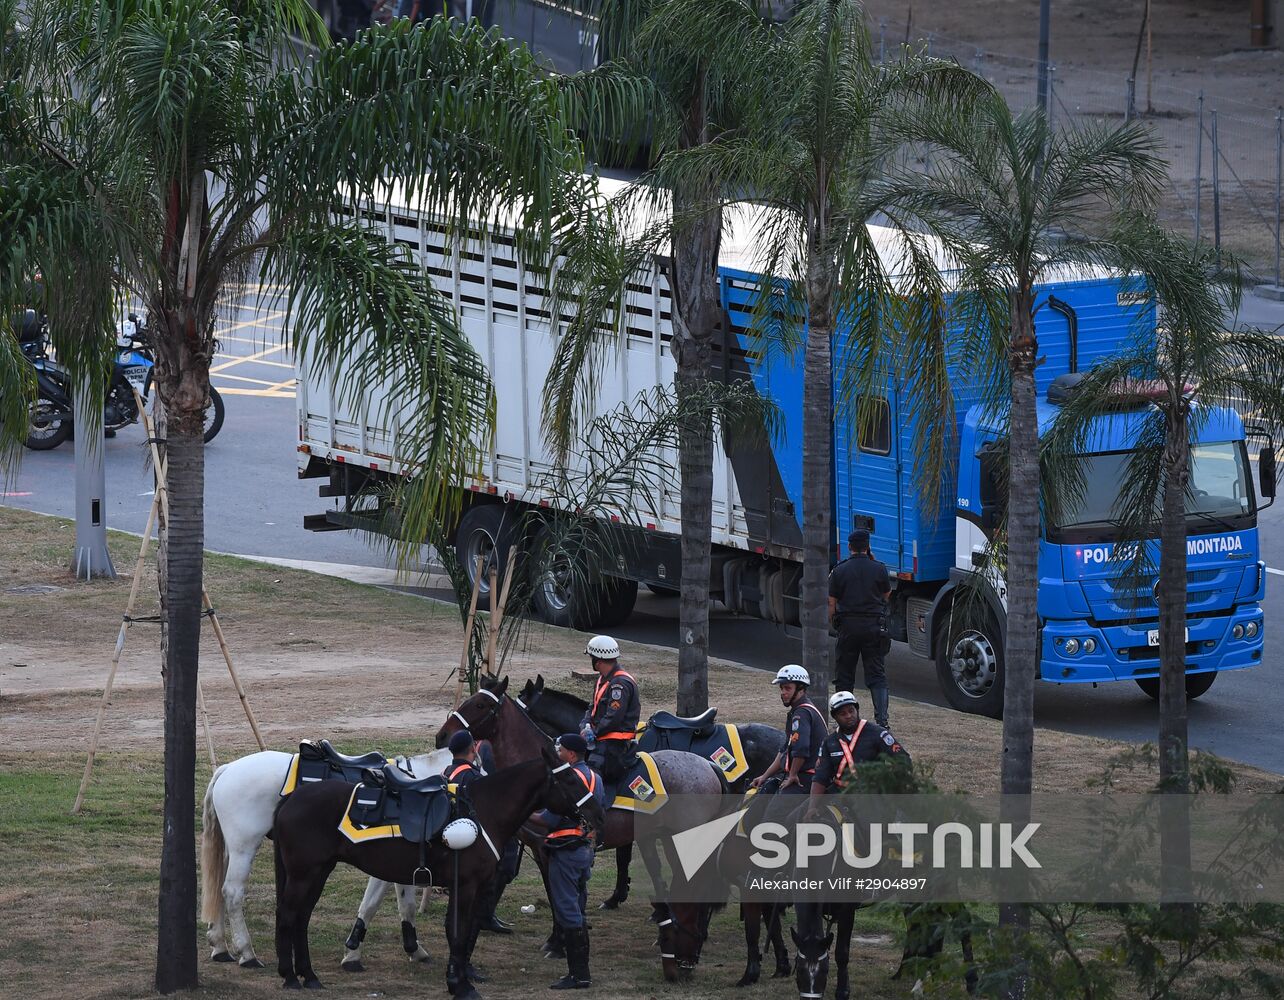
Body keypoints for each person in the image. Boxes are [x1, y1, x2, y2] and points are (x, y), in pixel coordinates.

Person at [529, 733, 605, 990]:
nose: (558, 754)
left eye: (561, 750)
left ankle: (579, 974)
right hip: (585, 849)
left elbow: (549, 820)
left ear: (571, 755)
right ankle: (580, 971)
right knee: (578, 906)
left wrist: (522, 812)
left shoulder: (569, 780)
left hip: (566, 850)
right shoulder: (596, 777)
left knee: (567, 909)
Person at [829, 529, 893, 729]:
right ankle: (882, 721)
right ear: (868, 546)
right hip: (873, 627)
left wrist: (834, 622)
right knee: (877, 675)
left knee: (845, 675)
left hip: (848, 626)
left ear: (849, 547)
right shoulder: (879, 568)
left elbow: (832, 603)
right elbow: (886, 594)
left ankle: (844, 721)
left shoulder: (839, 570)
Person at [807, 691, 910, 814]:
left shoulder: (877, 733)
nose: (849, 716)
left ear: (857, 710)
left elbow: (903, 760)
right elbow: (820, 777)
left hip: (870, 794)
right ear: (835, 717)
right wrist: (812, 807)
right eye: (843, 714)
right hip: (840, 793)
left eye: (851, 711)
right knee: (798, 815)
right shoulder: (829, 742)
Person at [749, 665, 826, 798]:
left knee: (775, 814)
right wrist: (765, 776)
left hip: (807, 778)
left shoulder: (802, 713)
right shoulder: (799, 711)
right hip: (804, 775)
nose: (783, 692)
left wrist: (792, 775)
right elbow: (784, 751)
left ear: (801, 689)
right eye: (782, 688)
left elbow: (801, 749)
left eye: (788, 688)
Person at [578, 635, 640, 791]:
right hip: (600, 737)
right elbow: (593, 707)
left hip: (614, 745)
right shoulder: (603, 679)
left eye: (591, 657)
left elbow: (614, 718)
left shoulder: (620, 684)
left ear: (597, 661)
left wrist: (594, 732)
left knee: (589, 779)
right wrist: (585, 725)